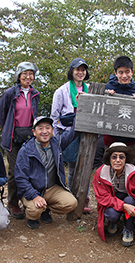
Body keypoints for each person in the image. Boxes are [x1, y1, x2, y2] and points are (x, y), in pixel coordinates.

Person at [14, 116, 78, 230]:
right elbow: (20, 178)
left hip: (51, 188)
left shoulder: (56, 143)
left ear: (52, 130)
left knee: (71, 203)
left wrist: (80, 108)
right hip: (32, 190)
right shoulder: (26, 150)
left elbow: (74, 131)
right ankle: (32, 217)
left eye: (48, 128)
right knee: (35, 210)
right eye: (40, 128)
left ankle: (45, 209)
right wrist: (34, 196)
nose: (44, 131)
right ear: (34, 132)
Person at [0, 61, 40, 220]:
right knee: (15, 171)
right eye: (25, 74)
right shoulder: (10, 93)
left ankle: (27, 200)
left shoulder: (35, 94)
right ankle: (13, 203)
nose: (28, 77)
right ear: (18, 76)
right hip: (12, 138)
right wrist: (10, 130)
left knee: (29, 170)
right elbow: (2, 115)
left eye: (31, 74)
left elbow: (33, 115)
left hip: (28, 137)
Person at [50, 58, 91, 213]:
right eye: (77, 69)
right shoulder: (62, 91)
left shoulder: (91, 88)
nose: (80, 72)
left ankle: (85, 199)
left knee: (86, 166)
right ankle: (72, 197)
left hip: (87, 133)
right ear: (71, 71)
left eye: (83, 69)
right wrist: (56, 137)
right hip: (69, 133)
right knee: (73, 167)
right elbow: (54, 117)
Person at [93, 142, 135, 247]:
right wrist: (123, 206)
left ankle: (128, 228)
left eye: (121, 157)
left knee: (130, 200)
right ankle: (113, 221)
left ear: (125, 159)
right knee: (112, 214)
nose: (118, 160)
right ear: (109, 159)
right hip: (112, 202)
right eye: (114, 157)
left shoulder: (134, 173)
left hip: (128, 200)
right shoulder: (100, 173)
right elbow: (103, 197)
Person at [104, 56, 135, 156]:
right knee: (110, 166)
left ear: (132, 71)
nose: (124, 75)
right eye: (120, 72)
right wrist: (107, 96)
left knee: (130, 168)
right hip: (111, 137)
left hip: (132, 139)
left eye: (127, 72)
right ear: (115, 73)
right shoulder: (108, 87)